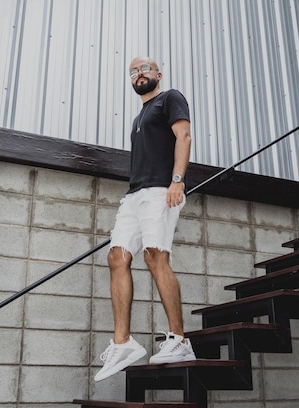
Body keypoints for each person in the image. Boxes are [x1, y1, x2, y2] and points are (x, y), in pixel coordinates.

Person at [94, 56, 196, 382]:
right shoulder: (139, 116)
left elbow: (184, 136)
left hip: (160, 192)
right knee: (116, 257)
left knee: (155, 258)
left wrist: (177, 180)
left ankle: (179, 340)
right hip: (134, 195)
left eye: (145, 69)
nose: (139, 74)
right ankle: (123, 344)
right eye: (134, 71)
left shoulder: (170, 98)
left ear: (158, 75)